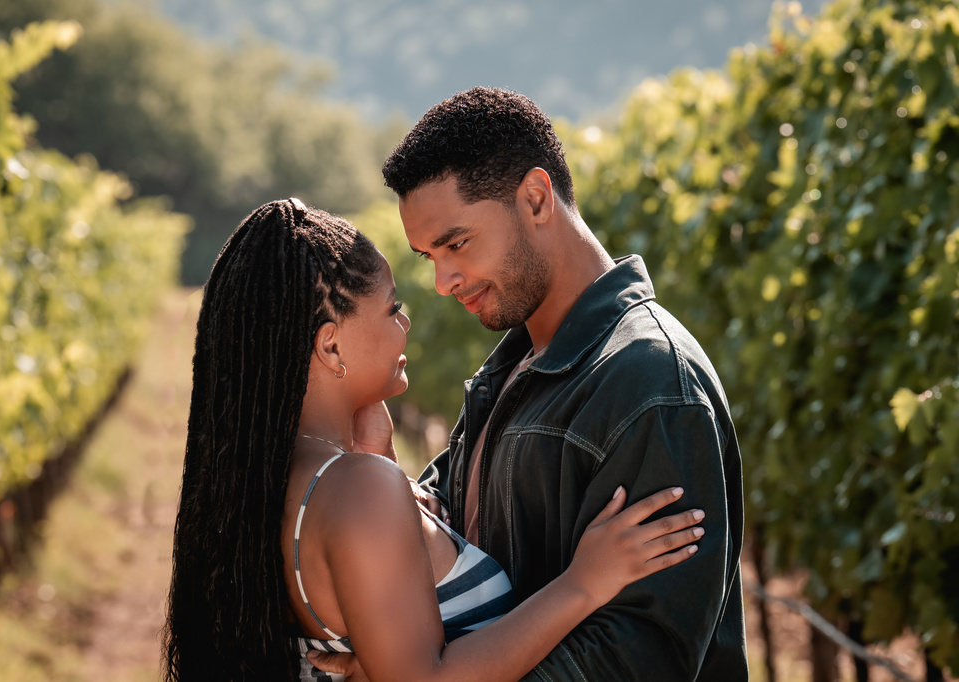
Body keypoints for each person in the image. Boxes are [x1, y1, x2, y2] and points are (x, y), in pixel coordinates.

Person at [161, 198, 705, 682]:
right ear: (330, 348)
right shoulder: (357, 489)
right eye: (393, 308)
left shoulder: (282, 476)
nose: (408, 323)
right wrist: (584, 583)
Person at [312, 87, 748, 681]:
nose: (443, 281)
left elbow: (638, 659)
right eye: (427, 257)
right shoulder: (513, 367)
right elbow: (451, 545)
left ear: (537, 198)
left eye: (456, 243)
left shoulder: (650, 385)